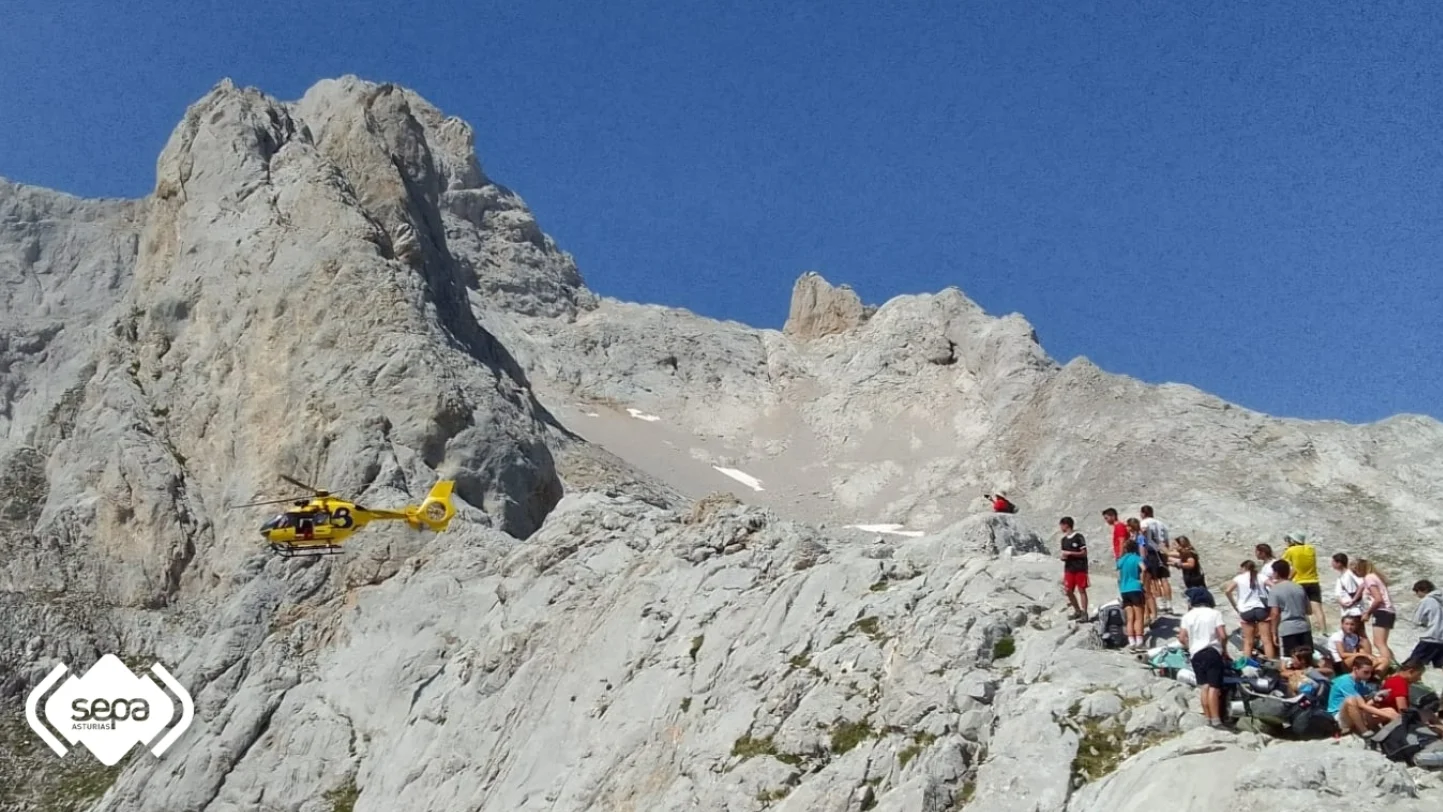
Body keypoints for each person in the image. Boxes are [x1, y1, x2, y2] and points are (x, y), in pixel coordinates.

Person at [1177, 586, 1229, 728]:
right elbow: (1223, 635)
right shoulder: (1214, 613)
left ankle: (1207, 718)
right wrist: (1223, 650)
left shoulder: (1187, 616)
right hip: (1212, 651)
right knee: (1214, 686)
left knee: (1204, 686)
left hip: (1196, 654)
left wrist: (1191, 647)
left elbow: (1182, 638)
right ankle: (1216, 720)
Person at [1327, 655, 1396, 735]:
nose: (1369, 675)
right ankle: (1364, 731)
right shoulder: (1345, 681)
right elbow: (1362, 705)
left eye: (1371, 672)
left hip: (1356, 714)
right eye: (1366, 672)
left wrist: (1377, 696)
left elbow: (1367, 699)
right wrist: (1388, 715)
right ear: (1355, 669)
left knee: (1391, 711)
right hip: (1339, 718)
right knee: (1351, 700)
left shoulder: (1359, 682)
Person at [1225, 559, 1274, 661]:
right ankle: (1271, 665)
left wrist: (1235, 605)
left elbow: (1227, 591)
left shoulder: (1238, 578)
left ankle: (1247, 665)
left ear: (1244, 568)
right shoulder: (1261, 576)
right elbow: (1273, 586)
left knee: (1248, 641)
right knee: (1267, 640)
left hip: (1245, 610)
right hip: (1261, 609)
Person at [1354, 558, 1396, 672]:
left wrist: (1367, 613)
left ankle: (1386, 666)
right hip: (1388, 611)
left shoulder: (1369, 578)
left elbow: (1377, 599)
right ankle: (1393, 663)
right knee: (1383, 643)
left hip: (1382, 611)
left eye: (1355, 570)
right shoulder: (1373, 576)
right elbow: (1362, 586)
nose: (1355, 573)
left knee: (1379, 643)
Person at [1281, 532, 1327, 633]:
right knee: (1317, 608)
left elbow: (1282, 564)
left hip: (1299, 582)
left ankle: (1307, 631)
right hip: (1313, 580)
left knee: (1302, 609)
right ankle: (1324, 630)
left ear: (1293, 540)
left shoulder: (1291, 550)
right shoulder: (1311, 549)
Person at [1267, 560, 1314, 655]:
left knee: (1289, 661)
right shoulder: (1299, 587)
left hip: (1287, 629)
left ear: (1276, 573)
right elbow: (1309, 610)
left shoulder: (1275, 590)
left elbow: (1274, 613)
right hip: (1304, 627)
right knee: (1307, 659)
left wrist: (1273, 632)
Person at [1140, 505, 1174, 613]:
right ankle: (1169, 604)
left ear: (1143, 513)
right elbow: (1166, 541)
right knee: (1164, 578)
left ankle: (1160, 603)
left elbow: (1143, 539)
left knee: (1153, 579)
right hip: (1162, 550)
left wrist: (1142, 553)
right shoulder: (1161, 523)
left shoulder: (1144, 523)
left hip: (1151, 552)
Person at [1117, 539, 1148, 651]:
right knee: (1139, 617)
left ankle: (1131, 642)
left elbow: (1118, 571)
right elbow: (1144, 568)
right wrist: (1141, 581)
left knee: (1130, 618)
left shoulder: (1122, 560)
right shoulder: (1137, 558)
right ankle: (1139, 641)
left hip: (1124, 590)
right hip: (1135, 587)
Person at [1059, 516, 1089, 620]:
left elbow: (1084, 553)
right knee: (1068, 590)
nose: (1060, 528)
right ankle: (1077, 610)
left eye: (1061, 525)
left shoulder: (1078, 537)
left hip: (1080, 567)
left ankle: (1085, 613)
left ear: (1066, 525)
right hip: (1069, 568)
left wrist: (1071, 553)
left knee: (1081, 590)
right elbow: (1064, 554)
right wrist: (1064, 557)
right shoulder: (1063, 540)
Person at [1409, 579, 1443, 669]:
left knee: (1413, 663)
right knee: (1440, 664)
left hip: (1430, 638)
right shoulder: (1440, 601)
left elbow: (1418, 620)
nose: (1417, 595)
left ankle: (1409, 680)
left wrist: (1423, 624)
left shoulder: (1427, 600)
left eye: (1417, 591)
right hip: (1441, 639)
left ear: (1423, 590)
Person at [1333, 553, 1364, 619]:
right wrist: (1341, 602)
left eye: (1333, 562)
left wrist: (1353, 600)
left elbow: (1362, 584)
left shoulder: (1350, 573)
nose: (1332, 564)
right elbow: (1338, 593)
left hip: (1355, 609)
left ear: (1339, 563)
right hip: (1345, 610)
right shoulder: (1340, 577)